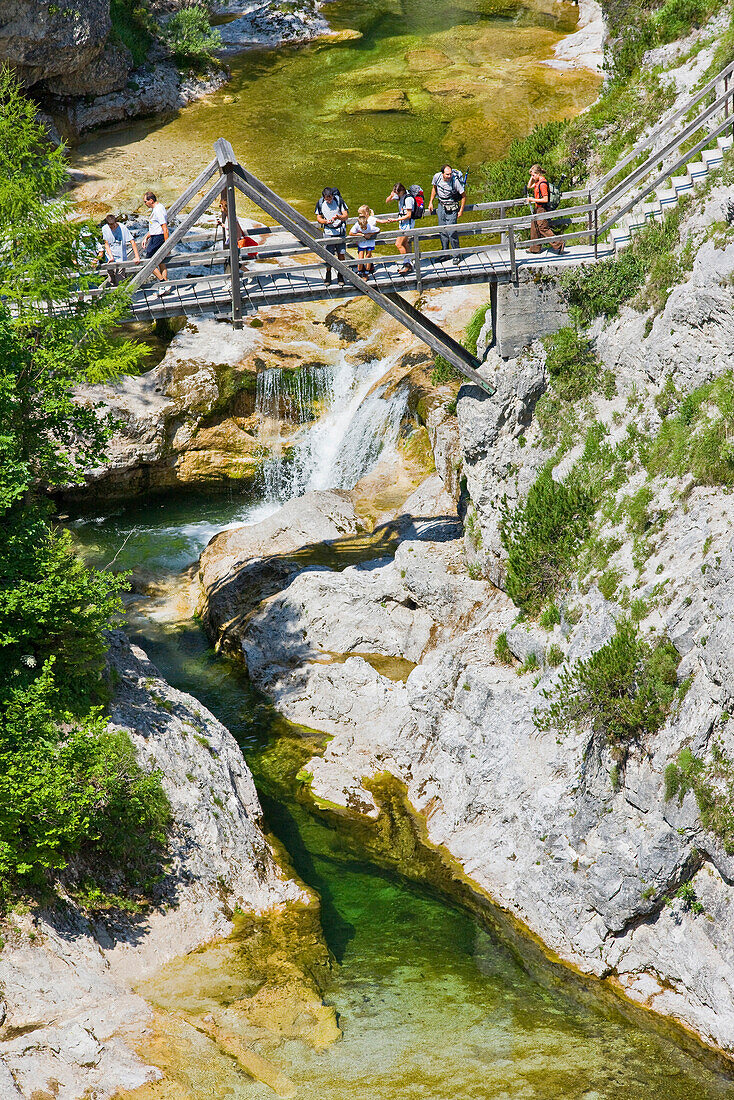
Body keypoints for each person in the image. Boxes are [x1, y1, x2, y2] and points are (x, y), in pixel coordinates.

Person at [428, 164, 466, 264]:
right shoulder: (437, 177)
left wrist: (461, 210)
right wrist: (431, 202)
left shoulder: (455, 181)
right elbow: (434, 188)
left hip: (452, 207)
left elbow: (463, 196)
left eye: (450, 174)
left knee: (451, 231)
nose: (449, 176)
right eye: (447, 174)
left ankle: (456, 255)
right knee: (442, 230)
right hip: (441, 206)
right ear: (442, 173)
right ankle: (445, 253)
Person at [526, 164, 564, 255]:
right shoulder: (538, 181)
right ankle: (534, 248)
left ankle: (559, 243)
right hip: (537, 208)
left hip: (541, 208)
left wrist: (532, 199)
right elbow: (529, 186)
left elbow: (545, 199)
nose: (532, 177)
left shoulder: (542, 184)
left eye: (534, 175)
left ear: (538, 173)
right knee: (534, 227)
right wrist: (532, 176)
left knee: (543, 228)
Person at [216, 195, 265, 265]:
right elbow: (229, 227)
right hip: (232, 243)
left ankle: (249, 273)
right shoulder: (228, 216)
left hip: (235, 243)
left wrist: (237, 242)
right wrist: (221, 224)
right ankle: (249, 273)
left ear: (225, 207)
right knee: (232, 262)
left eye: (220, 205)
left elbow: (238, 229)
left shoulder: (232, 217)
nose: (220, 207)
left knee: (233, 262)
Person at [315, 187, 349, 285]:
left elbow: (346, 216)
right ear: (324, 197)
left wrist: (339, 217)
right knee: (328, 255)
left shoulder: (339, 201)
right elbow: (318, 218)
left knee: (341, 254)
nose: (329, 201)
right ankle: (328, 274)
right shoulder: (321, 203)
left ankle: (340, 275)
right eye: (327, 199)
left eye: (330, 198)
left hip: (340, 231)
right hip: (328, 232)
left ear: (333, 196)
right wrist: (325, 221)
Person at [96, 213, 140, 286]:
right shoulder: (105, 229)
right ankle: (113, 295)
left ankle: (121, 295)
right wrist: (111, 257)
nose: (112, 228)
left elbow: (132, 241)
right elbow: (106, 244)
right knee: (111, 279)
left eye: (113, 225)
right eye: (110, 226)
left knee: (120, 279)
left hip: (121, 258)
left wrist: (137, 256)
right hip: (110, 258)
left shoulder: (123, 228)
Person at [141, 190, 171, 295]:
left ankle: (163, 282)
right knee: (160, 261)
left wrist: (167, 246)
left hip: (158, 237)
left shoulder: (158, 210)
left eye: (145, 201)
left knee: (148, 261)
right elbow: (155, 226)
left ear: (151, 200)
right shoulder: (158, 208)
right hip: (155, 236)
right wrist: (146, 237)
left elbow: (164, 228)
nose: (145, 204)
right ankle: (165, 286)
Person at [384, 183, 416, 275]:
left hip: (407, 225)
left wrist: (395, 219)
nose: (397, 195)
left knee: (398, 244)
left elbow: (409, 215)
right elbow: (387, 201)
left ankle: (406, 264)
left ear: (402, 191)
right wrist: (391, 195)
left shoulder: (408, 199)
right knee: (405, 243)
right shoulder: (400, 196)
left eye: (398, 193)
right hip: (402, 224)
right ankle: (409, 263)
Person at [348, 205, 379, 279]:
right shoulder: (357, 224)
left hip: (369, 243)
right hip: (362, 243)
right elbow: (351, 233)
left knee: (368, 256)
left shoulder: (369, 226)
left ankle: (367, 272)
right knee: (360, 257)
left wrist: (370, 234)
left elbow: (378, 229)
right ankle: (360, 271)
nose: (364, 228)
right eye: (362, 228)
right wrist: (360, 234)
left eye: (365, 227)